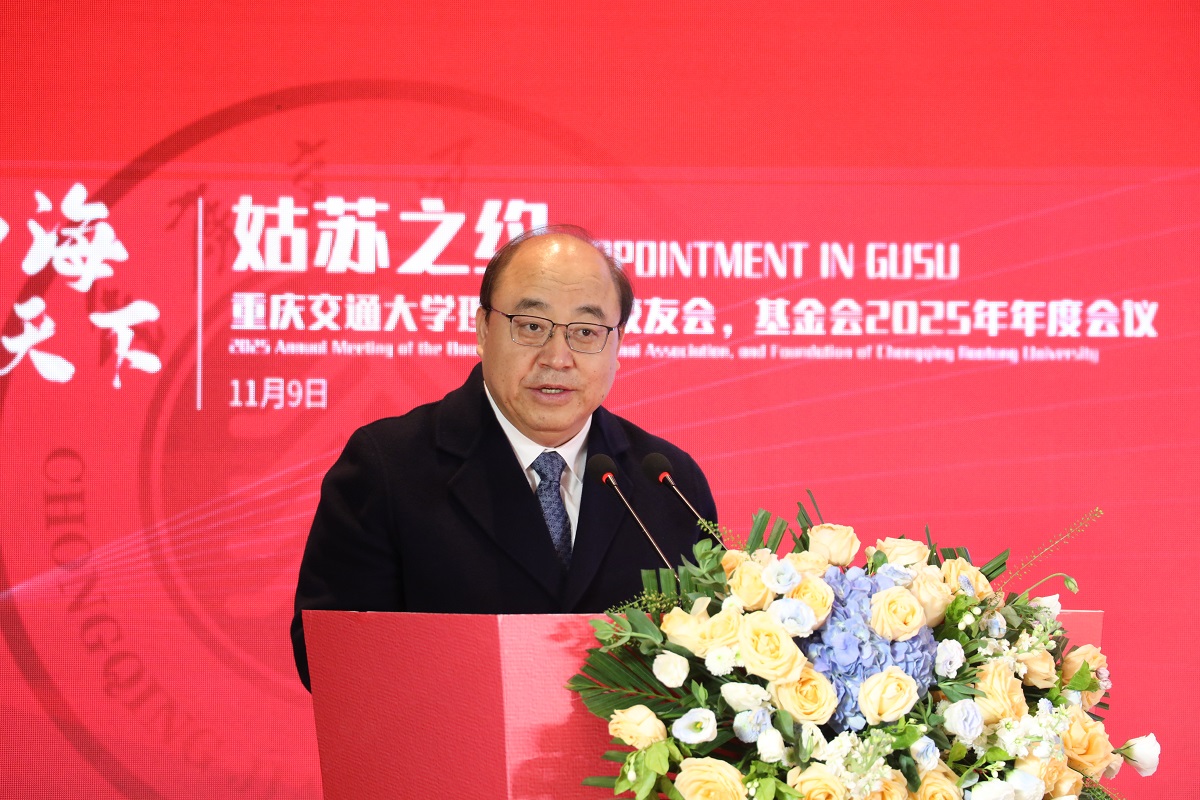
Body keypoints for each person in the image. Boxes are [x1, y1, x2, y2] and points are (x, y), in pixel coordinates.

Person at [290, 225, 716, 689]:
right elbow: (332, 658)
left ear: (617, 344)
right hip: (452, 734)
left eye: (586, 332)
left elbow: (712, 657)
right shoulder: (389, 466)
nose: (558, 358)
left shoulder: (667, 481)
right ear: (483, 328)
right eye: (531, 326)